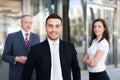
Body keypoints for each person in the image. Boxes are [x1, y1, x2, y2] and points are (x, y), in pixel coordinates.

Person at [22, 13, 81, 80]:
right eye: (50, 26)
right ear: (46, 27)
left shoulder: (70, 47)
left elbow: (76, 70)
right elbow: (26, 74)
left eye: (57, 26)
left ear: (61, 28)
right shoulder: (35, 49)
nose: (54, 30)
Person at [2, 15, 40, 80]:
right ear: (21, 23)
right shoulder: (11, 37)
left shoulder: (36, 37)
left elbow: (38, 55)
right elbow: (4, 56)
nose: (28, 25)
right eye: (26, 22)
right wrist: (17, 59)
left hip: (32, 76)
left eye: (30, 22)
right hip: (16, 75)